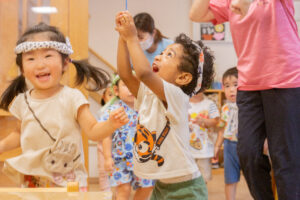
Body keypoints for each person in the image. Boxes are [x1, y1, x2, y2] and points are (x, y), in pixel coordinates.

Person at [189, 0, 300, 199]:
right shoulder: (228, 3)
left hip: (284, 81)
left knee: (284, 158)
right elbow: (196, 15)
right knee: (248, 153)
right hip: (249, 85)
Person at [0, 23, 129, 191]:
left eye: (48, 56)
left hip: (69, 179)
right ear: (23, 69)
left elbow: (92, 130)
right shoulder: (22, 101)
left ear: (65, 63)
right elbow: (19, 133)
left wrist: (111, 124)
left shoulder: (72, 97)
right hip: (33, 178)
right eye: (31, 58)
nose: (40, 64)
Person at [115, 11, 215, 199]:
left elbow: (144, 73)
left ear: (183, 77)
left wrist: (132, 38)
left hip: (187, 188)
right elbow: (126, 75)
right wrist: (123, 39)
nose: (159, 56)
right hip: (162, 185)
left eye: (168, 54)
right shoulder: (148, 93)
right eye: (162, 52)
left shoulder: (177, 96)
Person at [101, 74, 155, 200]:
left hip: (143, 159)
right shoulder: (112, 111)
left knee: (147, 187)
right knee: (123, 190)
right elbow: (106, 136)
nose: (131, 88)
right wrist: (108, 158)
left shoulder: (147, 110)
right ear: (116, 91)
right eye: (126, 85)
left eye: (135, 85)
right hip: (120, 160)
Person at [214, 67, 240, 200]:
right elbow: (222, 129)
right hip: (229, 146)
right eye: (227, 86)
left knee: (255, 177)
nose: (231, 89)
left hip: (246, 145)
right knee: (230, 178)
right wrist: (217, 146)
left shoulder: (249, 105)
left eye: (236, 85)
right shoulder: (224, 108)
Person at [188, 91, 220, 183]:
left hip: (204, 149)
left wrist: (204, 121)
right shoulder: (184, 103)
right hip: (187, 149)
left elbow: (216, 121)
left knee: (204, 178)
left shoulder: (209, 104)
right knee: (189, 177)